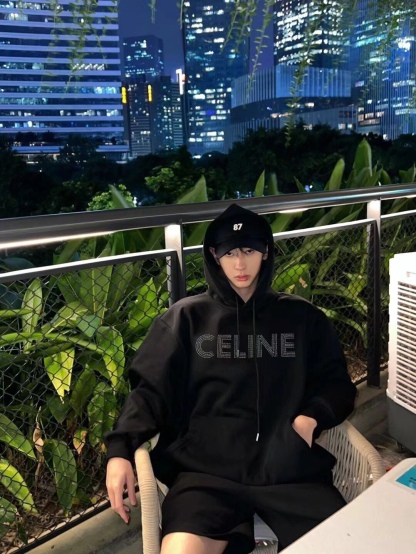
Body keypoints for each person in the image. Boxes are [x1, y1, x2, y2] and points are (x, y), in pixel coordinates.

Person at [105, 203, 357, 554]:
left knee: (350, 544)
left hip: (288, 470)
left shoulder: (302, 318)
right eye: (230, 253)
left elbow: (337, 384)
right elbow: (149, 392)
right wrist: (119, 452)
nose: (240, 264)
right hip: (204, 476)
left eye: (249, 251)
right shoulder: (185, 319)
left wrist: (309, 419)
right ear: (214, 255)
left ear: (266, 252)